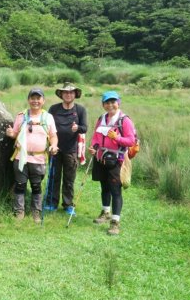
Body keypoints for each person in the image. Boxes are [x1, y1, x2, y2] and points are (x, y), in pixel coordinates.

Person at [6, 88, 59, 224]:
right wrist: (10, 133)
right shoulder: (21, 116)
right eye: (32, 98)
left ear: (43, 101)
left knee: (36, 186)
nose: (35, 101)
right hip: (20, 157)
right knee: (20, 185)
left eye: (38, 98)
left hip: (39, 159)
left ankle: (36, 212)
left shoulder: (48, 117)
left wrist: (53, 145)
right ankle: (19, 212)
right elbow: (15, 133)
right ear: (28, 100)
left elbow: (53, 136)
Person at [88, 91, 136, 235]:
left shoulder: (124, 120)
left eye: (113, 102)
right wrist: (93, 147)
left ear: (118, 102)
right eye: (107, 102)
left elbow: (131, 141)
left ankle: (115, 222)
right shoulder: (101, 118)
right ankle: (105, 213)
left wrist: (117, 138)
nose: (110, 105)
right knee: (104, 187)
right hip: (101, 158)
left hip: (117, 160)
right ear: (103, 104)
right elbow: (96, 137)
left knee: (115, 190)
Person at [45, 83, 88, 214]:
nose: (68, 95)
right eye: (65, 92)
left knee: (69, 178)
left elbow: (85, 128)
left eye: (71, 92)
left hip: (71, 149)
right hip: (55, 148)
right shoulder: (53, 109)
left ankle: (68, 204)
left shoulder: (80, 110)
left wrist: (78, 128)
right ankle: (51, 203)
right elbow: (47, 126)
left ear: (75, 95)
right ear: (61, 94)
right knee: (53, 176)